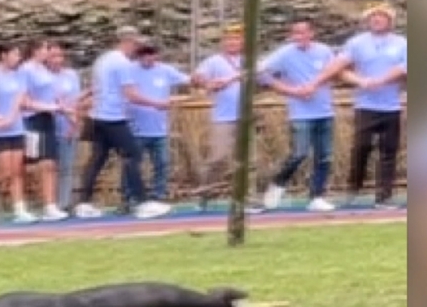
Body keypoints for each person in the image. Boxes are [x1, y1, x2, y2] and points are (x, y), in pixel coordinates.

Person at [304, 2, 407, 209]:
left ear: (390, 21)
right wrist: (359, 80)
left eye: (382, 17)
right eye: (373, 17)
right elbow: (338, 68)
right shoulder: (357, 43)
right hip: (366, 105)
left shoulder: (402, 43)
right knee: (361, 148)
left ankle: (383, 197)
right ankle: (353, 190)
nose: (377, 20)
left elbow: (405, 66)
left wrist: (383, 80)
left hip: (391, 106)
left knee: (388, 152)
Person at [74, 26, 171, 220]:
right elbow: (131, 94)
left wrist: (84, 96)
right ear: (129, 41)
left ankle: (83, 203)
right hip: (113, 117)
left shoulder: (103, 60)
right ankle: (142, 202)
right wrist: (158, 103)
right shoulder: (122, 63)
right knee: (133, 154)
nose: (137, 48)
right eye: (136, 44)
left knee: (98, 158)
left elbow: (98, 86)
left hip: (98, 115)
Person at [259, 17, 337, 212]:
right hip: (300, 113)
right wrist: (290, 90)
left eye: (304, 32)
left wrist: (316, 84)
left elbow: (335, 70)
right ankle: (277, 185)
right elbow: (261, 73)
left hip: (324, 110)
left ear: (312, 33)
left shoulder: (324, 51)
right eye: (296, 33)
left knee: (324, 156)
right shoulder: (284, 54)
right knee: (299, 153)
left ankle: (317, 196)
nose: (300, 37)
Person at [193, 23, 263, 213]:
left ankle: (249, 198)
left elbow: (262, 77)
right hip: (223, 116)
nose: (232, 42)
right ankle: (205, 192)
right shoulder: (214, 61)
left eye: (236, 39)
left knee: (249, 160)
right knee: (218, 157)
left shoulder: (250, 61)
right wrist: (208, 83)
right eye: (229, 39)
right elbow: (198, 77)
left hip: (246, 116)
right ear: (223, 42)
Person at [121, 41, 192, 205]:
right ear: (138, 56)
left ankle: (158, 195)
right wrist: (156, 104)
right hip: (136, 128)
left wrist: (203, 80)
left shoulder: (165, 70)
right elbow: (129, 95)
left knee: (162, 163)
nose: (148, 58)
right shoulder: (129, 71)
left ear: (156, 55)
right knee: (133, 164)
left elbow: (188, 80)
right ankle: (130, 196)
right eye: (144, 54)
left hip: (159, 128)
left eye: (151, 54)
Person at [19, 39, 69, 221]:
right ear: (36, 50)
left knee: (50, 163)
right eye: (46, 49)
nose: (48, 53)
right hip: (32, 119)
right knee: (31, 165)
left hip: (48, 118)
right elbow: (24, 100)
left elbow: (54, 95)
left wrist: (61, 107)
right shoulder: (26, 69)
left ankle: (50, 205)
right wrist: (46, 107)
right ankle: (26, 204)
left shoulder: (44, 70)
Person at [0, 44, 36, 223]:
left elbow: (19, 98)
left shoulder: (20, 74)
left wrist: (11, 118)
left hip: (15, 127)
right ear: (4, 55)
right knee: (3, 173)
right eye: (14, 54)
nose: (18, 57)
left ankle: (19, 208)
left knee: (17, 171)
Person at [46, 42, 85, 210]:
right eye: (53, 56)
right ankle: (50, 203)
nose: (57, 60)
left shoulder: (70, 75)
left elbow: (76, 100)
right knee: (50, 168)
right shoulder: (42, 77)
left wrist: (74, 123)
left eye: (60, 56)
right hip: (49, 126)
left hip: (69, 126)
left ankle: (64, 203)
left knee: (67, 167)